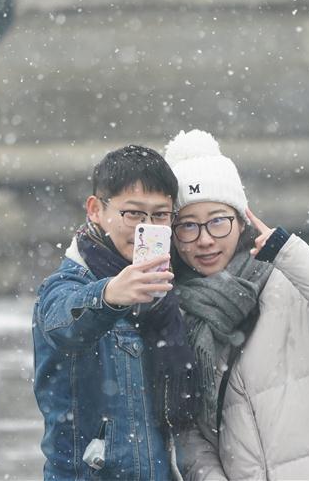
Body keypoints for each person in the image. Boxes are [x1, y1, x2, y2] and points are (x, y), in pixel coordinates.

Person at [164, 129, 309, 481]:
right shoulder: (174, 311)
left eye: (218, 221)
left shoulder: (290, 279)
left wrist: (289, 253)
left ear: (242, 221)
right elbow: (188, 430)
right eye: (188, 226)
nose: (205, 239)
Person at [33, 145, 197, 481]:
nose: (146, 228)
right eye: (133, 214)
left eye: (160, 215)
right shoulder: (69, 282)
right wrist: (108, 296)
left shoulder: (165, 292)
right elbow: (62, 323)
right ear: (95, 210)